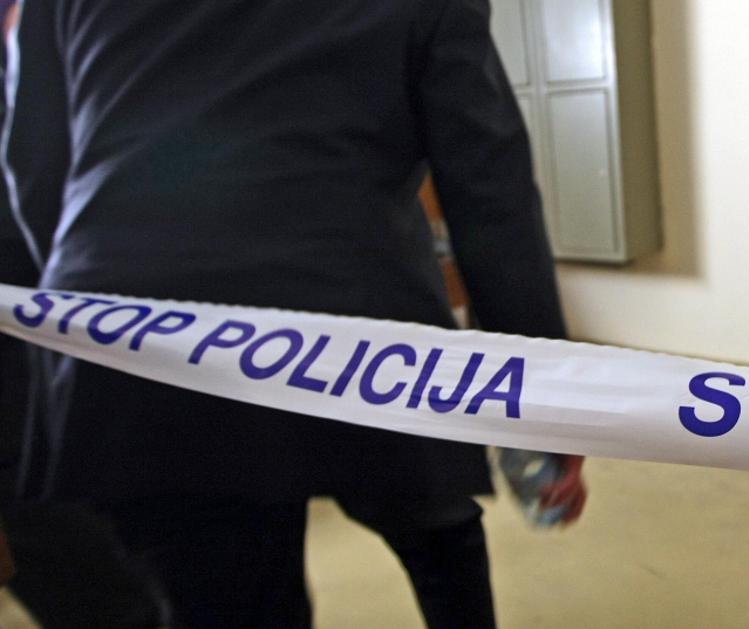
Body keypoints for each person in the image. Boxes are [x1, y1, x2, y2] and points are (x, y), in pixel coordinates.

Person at [3, 0, 586, 626]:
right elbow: (490, 197)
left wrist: (93, 295)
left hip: (137, 335)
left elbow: (33, 164)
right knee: (434, 522)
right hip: (352, 320)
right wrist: (538, 399)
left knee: (231, 598)